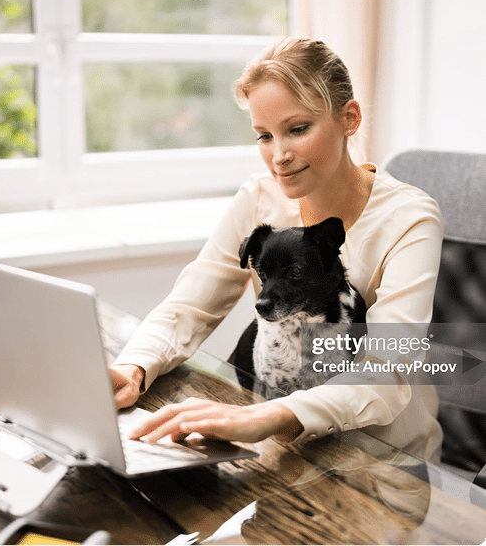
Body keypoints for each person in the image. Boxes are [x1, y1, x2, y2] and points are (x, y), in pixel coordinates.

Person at [110, 38, 444, 461]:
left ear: (349, 118)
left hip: (384, 460)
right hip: (286, 447)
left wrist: (272, 414)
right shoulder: (258, 199)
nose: (278, 156)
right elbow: (189, 306)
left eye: (298, 129)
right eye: (264, 136)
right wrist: (133, 366)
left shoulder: (410, 218)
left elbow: (387, 370)